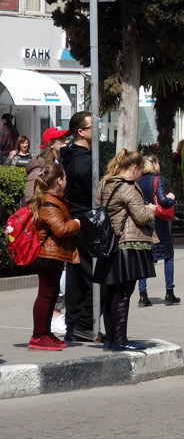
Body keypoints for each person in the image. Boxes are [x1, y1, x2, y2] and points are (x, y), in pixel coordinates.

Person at [95, 149, 157, 351]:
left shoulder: (104, 184)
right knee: (123, 294)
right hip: (128, 244)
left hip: (109, 244)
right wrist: (152, 211)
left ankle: (112, 339)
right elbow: (141, 216)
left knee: (111, 293)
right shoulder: (129, 187)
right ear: (134, 167)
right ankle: (120, 340)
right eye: (141, 170)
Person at [26, 163, 80, 351]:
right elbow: (61, 229)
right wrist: (76, 223)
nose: (66, 181)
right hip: (46, 255)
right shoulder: (49, 203)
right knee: (46, 295)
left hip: (53, 254)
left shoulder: (53, 199)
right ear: (59, 181)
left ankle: (46, 333)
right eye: (64, 178)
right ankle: (38, 336)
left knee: (51, 294)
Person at [61, 111, 96, 343]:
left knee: (76, 275)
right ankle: (83, 324)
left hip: (73, 221)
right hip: (85, 223)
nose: (98, 130)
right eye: (94, 127)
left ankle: (73, 324)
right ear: (80, 132)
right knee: (96, 277)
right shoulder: (84, 161)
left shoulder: (67, 157)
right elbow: (93, 194)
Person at [136, 155, 179, 307]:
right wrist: (171, 197)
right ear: (153, 164)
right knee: (168, 256)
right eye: (158, 162)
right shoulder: (157, 179)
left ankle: (142, 294)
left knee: (144, 257)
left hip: (143, 222)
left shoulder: (138, 179)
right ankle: (169, 292)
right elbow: (162, 200)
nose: (159, 165)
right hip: (158, 223)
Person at [25, 127, 68, 203]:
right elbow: (30, 198)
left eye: (65, 138)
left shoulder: (60, 163)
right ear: (51, 144)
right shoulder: (39, 167)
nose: (66, 142)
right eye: (61, 139)